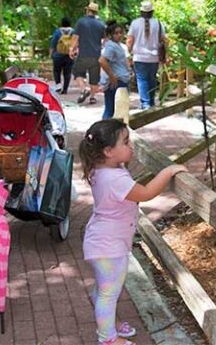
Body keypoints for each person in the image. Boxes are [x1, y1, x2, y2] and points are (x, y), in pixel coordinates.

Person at [79, 119, 187, 345]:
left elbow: (125, 171)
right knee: (108, 293)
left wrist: (123, 157)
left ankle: (110, 324)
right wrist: (168, 171)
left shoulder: (103, 169)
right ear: (108, 151)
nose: (131, 147)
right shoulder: (114, 178)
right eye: (126, 142)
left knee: (105, 289)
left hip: (102, 240)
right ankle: (107, 338)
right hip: (109, 246)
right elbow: (146, 193)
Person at [127, 0, 166, 109]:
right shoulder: (158, 23)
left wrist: (129, 52)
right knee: (152, 79)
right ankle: (151, 101)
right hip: (154, 57)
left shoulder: (135, 23)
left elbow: (130, 40)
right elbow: (164, 39)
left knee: (142, 79)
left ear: (141, 11)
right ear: (152, 11)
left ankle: (145, 103)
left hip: (139, 57)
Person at [71, 2, 106, 105]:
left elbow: (75, 37)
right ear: (96, 12)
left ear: (87, 10)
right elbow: (105, 40)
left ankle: (83, 89)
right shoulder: (100, 24)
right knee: (94, 78)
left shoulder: (81, 22)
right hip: (96, 55)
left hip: (83, 54)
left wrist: (72, 49)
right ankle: (92, 97)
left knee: (77, 71)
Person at [99, 21, 131, 120]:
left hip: (121, 79)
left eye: (120, 32)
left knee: (115, 109)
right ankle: (105, 130)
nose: (119, 35)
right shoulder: (111, 46)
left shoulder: (118, 46)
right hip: (117, 81)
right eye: (116, 33)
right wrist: (112, 76)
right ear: (110, 35)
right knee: (111, 109)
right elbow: (102, 60)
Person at [49, 17, 75, 94]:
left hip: (58, 55)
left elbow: (53, 43)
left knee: (57, 71)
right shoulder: (73, 32)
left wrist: (51, 54)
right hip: (69, 55)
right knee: (67, 72)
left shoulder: (57, 31)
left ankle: (58, 86)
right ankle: (65, 89)